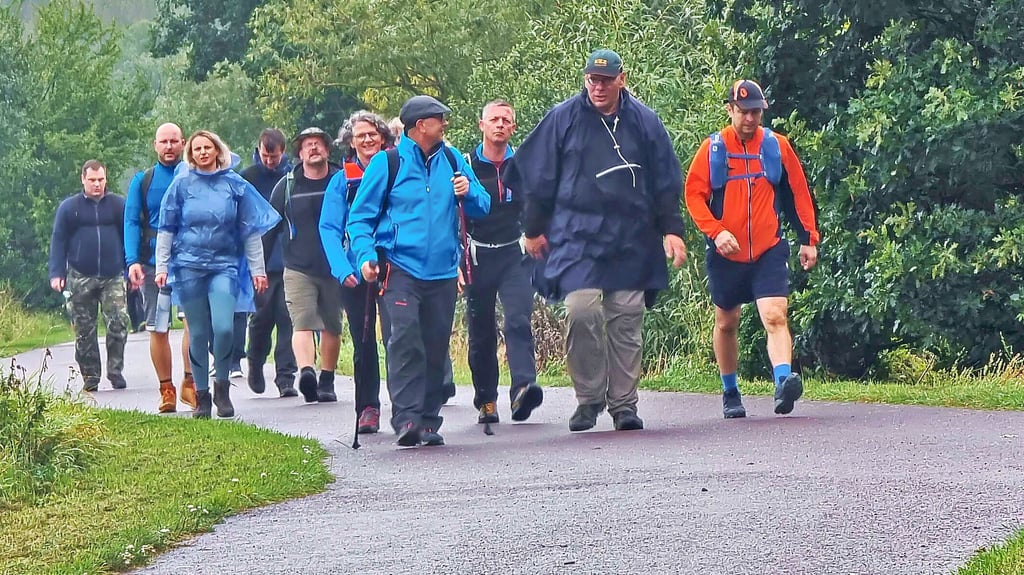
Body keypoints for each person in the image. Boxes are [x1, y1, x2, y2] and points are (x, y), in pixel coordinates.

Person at [504, 49, 688, 433]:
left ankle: (624, 405)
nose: (598, 87)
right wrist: (533, 229)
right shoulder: (563, 118)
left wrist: (672, 230)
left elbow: (665, 180)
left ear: (622, 78)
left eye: (605, 80)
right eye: (592, 80)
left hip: (632, 237)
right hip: (578, 236)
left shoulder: (645, 121)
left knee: (626, 318)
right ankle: (588, 399)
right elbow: (536, 175)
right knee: (581, 311)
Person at [347, 95, 490, 447]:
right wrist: (365, 256)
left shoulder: (454, 161)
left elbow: (483, 206)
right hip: (399, 268)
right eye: (440, 119)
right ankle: (407, 418)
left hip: (443, 271)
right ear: (420, 125)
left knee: (434, 345)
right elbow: (360, 218)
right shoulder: (387, 163)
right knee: (405, 340)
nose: (445, 124)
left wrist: (469, 192)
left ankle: (428, 420)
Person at [684, 79, 820, 418]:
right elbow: (693, 196)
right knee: (727, 322)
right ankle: (730, 391)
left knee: (775, 315)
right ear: (730, 110)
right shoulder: (712, 149)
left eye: (755, 112)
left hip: (767, 249)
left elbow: (798, 193)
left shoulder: (777, 146)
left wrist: (808, 238)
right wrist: (716, 232)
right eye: (743, 112)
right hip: (726, 254)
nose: (749, 118)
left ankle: (783, 383)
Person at [155, 130, 279, 419]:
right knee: (198, 333)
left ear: (217, 150)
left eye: (207, 147)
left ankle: (221, 386)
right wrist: (162, 267)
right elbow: (166, 228)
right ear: (191, 154)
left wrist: (258, 270)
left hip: (224, 265)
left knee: (224, 328)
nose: (202, 152)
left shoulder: (234, 184)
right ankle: (202, 396)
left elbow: (250, 231)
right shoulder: (181, 185)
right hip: (189, 266)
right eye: (197, 148)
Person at [463, 100, 542, 425]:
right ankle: (486, 400)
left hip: (514, 253)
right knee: (481, 331)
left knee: (518, 320)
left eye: (505, 120)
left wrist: (538, 235)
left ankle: (523, 388)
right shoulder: (465, 164)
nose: (499, 124)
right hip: (477, 255)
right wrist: (456, 259)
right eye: (493, 119)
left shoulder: (523, 164)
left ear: (513, 128)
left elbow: (539, 204)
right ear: (481, 125)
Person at [267, 127, 351, 404]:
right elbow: (269, 228)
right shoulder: (287, 186)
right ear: (300, 153)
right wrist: (261, 269)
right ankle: (306, 372)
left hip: (335, 266)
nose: (313, 148)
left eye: (318, 143)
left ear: (327, 149)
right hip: (297, 265)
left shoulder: (342, 180)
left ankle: (327, 379)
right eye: (307, 145)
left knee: (332, 325)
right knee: (302, 322)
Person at [322, 111, 394, 433]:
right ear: (351, 142)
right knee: (364, 340)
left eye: (372, 134)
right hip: (355, 271)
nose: (367, 140)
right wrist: (341, 268)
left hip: (394, 267)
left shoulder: (397, 170)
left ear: (383, 138)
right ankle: (367, 407)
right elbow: (329, 228)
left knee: (397, 337)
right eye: (360, 135)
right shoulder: (342, 180)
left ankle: (405, 405)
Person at [125, 123, 195, 413]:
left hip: (190, 262)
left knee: (193, 323)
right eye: (163, 142)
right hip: (154, 266)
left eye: (174, 141)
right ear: (155, 145)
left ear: (183, 143)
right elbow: (131, 221)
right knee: (158, 326)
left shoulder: (194, 175)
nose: (169, 146)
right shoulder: (143, 180)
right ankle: (166, 389)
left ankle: (190, 384)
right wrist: (132, 261)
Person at [49, 160, 129, 392]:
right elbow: (58, 240)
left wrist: (131, 267)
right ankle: (91, 375)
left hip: (113, 274)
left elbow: (129, 237)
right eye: (92, 180)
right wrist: (56, 272)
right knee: (84, 329)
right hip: (80, 274)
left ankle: (115, 370)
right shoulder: (69, 207)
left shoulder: (118, 205)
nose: (97, 184)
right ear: (83, 179)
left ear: (106, 179)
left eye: (101, 179)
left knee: (118, 322)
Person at [239, 128, 298, 397]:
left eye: (274, 157)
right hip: (258, 258)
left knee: (288, 318)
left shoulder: (292, 178)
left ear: (283, 152)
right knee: (261, 319)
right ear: (259, 150)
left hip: (289, 258)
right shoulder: (247, 178)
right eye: (266, 156)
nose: (270, 161)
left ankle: (286, 377)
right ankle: (255, 360)